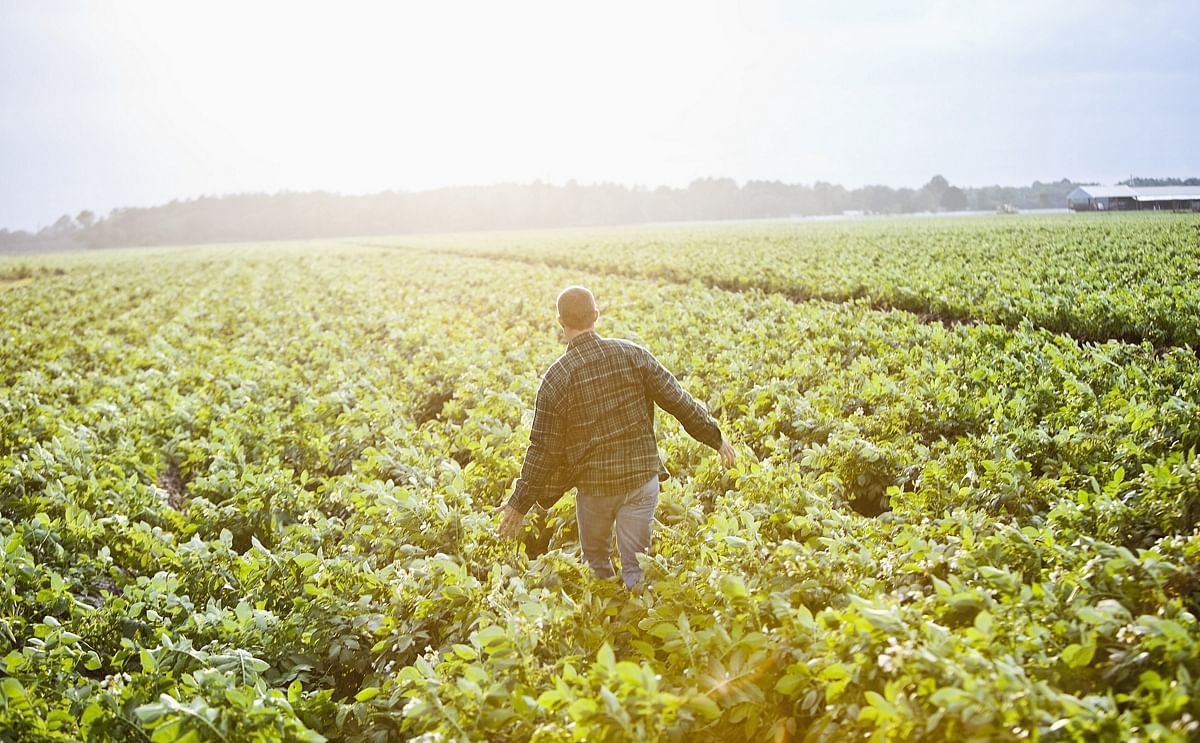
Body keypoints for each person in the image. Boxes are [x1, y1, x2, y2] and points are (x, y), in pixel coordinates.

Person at [497, 285, 736, 588]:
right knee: (638, 566)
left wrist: (519, 504)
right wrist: (715, 438)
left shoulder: (557, 378)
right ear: (596, 315)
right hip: (641, 480)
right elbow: (678, 400)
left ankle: (609, 625)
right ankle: (640, 618)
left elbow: (543, 449)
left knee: (596, 563)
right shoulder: (632, 354)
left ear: (560, 322)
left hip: (596, 489)